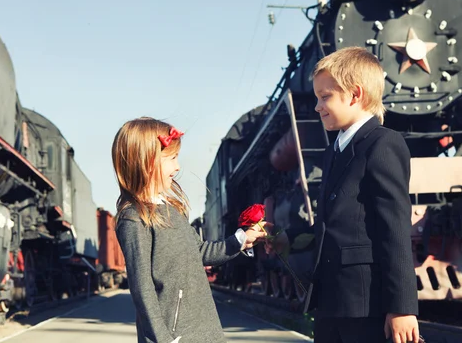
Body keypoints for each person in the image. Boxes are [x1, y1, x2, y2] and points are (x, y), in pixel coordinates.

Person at [267, 47, 420, 343]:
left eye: (325, 97)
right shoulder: (333, 151)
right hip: (331, 303)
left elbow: (394, 230)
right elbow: (333, 226)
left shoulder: (383, 144)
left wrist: (402, 308)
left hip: (365, 305)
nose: (317, 106)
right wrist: (288, 238)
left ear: (355, 95)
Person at [112, 117, 267, 343]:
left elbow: (200, 251)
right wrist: (162, 339)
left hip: (203, 327)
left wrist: (241, 239)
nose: (177, 166)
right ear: (147, 162)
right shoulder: (134, 219)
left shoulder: (172, 210)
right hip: (174, 336)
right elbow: (142, 288)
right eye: (172, 158)